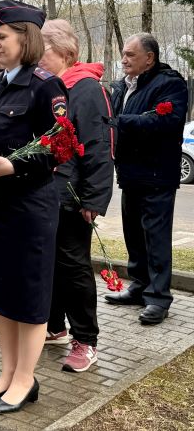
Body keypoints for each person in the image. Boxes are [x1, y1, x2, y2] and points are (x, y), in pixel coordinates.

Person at [0, 1, 67, 414]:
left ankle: (25, 379)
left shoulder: (46, 87)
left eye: (1, 37)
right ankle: (6, 374)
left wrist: (12, 166)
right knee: (0, 291)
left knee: (27, 295)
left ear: (27, 39)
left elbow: (59, 148)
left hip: (30, 208)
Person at [39, 19, 114, 372]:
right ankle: (55, 327)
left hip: (72, 196)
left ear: (65, 52)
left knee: (73, 267)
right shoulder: (50, 87)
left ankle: (85, 339)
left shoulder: (86, 89)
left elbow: (99, 146)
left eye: (44, 50)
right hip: (46, 194)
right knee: (50, 263)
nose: (38, 57)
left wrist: (93, 199)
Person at [104, 33, 189, 326]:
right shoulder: (123, 85)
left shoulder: (170, 83)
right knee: (133, 234)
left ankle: (158, 298)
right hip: (129, 173)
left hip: (157, 175)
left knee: (156, 237)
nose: (123, 60)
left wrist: (118, 122)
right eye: (123, 54)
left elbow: (166, 121)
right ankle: (139, 287)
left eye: (130, 55)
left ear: (149, 58)